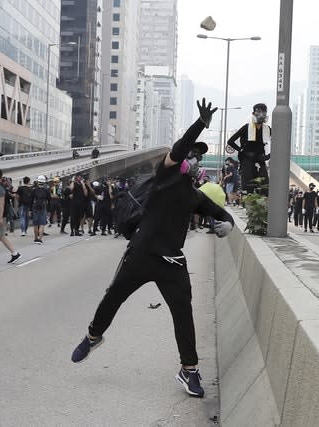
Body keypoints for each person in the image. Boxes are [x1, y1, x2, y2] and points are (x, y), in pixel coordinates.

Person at [71, 98, 235, 399]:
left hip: (172, 264)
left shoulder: (194, 196)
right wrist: (200, 125)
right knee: (113, 298)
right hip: (141, 256)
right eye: (192, 154)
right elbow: (180, 146)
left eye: (199, 157)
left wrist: (227, 225)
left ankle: (189, 370)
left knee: (183, 315)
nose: (194, 159)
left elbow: (223, 215)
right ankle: (93, 336)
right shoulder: (165, 177)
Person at [226, 103, 271, 192]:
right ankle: (247, 201)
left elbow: (278, 142)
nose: (261, 114)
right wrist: (241, 150)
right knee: (248, 184)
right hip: (247, 159)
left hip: (260, 159)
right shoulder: (246, 127)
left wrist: (269, 156)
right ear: (253, 113)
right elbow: (230, 141)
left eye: (264, 112)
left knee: (264, 185)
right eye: (258, 111)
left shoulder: (267, 129)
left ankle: (262, 203)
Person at [31, 175, 50, 244]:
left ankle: (35, 238)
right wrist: (49, 210)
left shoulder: (34, 190)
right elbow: (49, 200)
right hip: (43, 207)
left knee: (36, 224)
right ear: (44, 182)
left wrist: (30, 210)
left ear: (37, 182)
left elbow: (31, 200)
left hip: (35, 207)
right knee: (42, 224)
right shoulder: (46, 190)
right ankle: (40, 239)